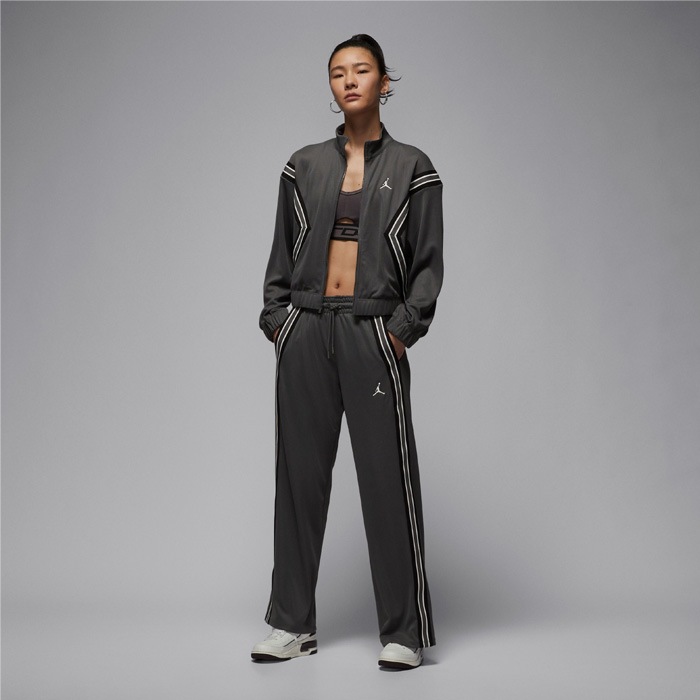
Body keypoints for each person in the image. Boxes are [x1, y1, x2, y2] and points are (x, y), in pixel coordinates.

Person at [252, 34, 443, 670]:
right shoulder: (302, 164)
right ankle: (291, 624)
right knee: (297, 481)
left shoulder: (414, 167)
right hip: (307, 328)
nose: (350, 80)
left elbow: (428, 263)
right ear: (331, 87)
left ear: (385, 82)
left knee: (387, 479)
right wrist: (278, 320)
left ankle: (404, 632)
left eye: (362, 70)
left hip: (372, 332)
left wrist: (402, 329)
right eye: (338, 72)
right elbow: (281, 251)